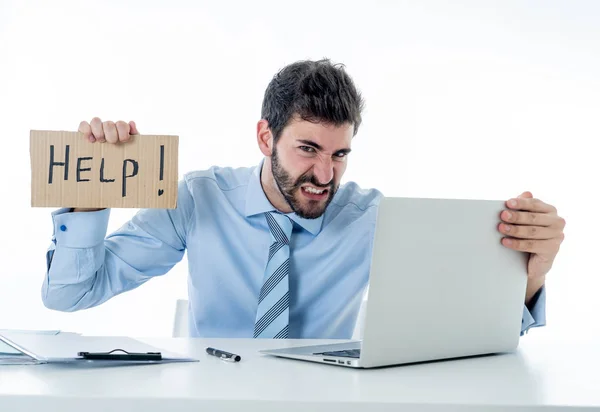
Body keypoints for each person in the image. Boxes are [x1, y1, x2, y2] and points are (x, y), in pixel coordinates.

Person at [42, 59, 565, 339]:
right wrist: (88, 200)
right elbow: (70, 296)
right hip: (210, 400)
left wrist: (530, 274)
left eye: (340, 154)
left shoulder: (375, 218)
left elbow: (468, 328)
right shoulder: (197, 198)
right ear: (266, 138)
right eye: (308, 149)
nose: (324, 174)